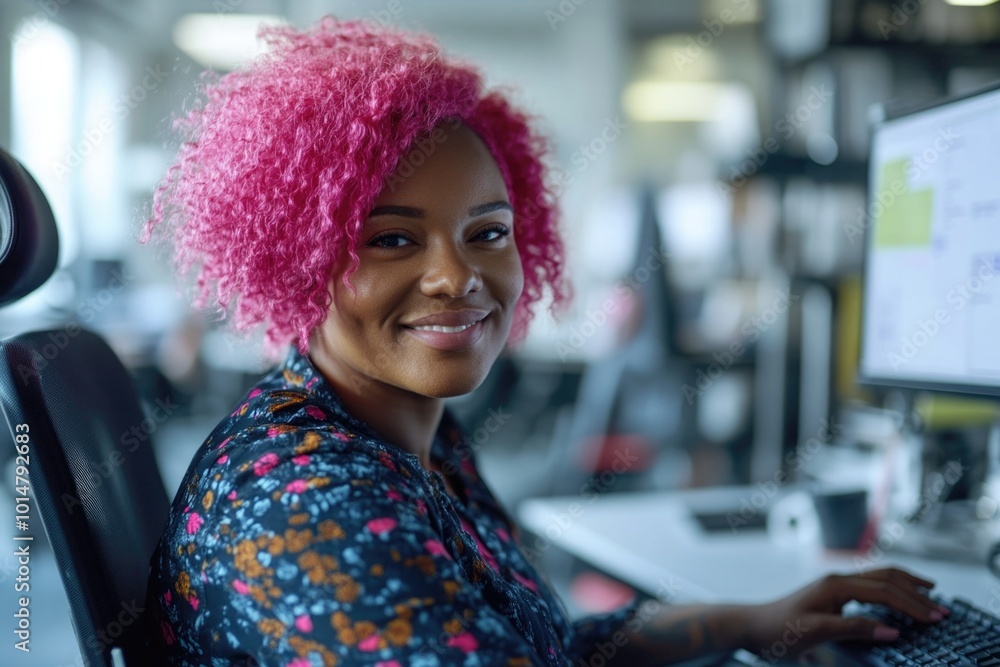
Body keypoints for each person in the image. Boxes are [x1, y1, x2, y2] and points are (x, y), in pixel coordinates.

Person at [139, 16, 948, 667]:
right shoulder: (310, 502)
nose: (457, 277)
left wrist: (750, 620)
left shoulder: (405, 433)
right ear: (300, 258)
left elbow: (544, 643)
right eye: (392, 240)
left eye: (487, 231)